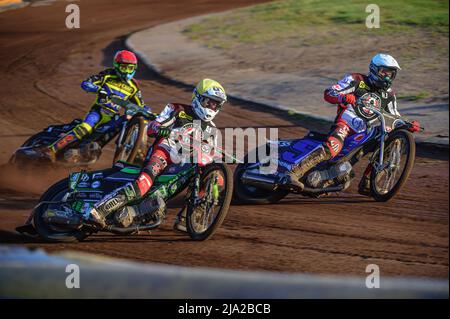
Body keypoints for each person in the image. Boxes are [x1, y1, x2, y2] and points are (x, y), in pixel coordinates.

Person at [87, 78, 227, 229]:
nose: (212, 107)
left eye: (215, 104)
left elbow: (212, 155)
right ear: (198, 98)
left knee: (215, 178)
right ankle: (99, 210)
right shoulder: (177, 109)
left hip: (187, 164)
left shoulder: (213, 132)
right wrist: (160, 127)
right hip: (165, 152)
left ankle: (189, 217)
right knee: (143, 184)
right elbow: (154, 126)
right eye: (209, 102)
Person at [286, 53, 420, 194]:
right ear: (374, 69)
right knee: (334, 145)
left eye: (391, 74)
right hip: (347, 123)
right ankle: (293, 173)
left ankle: (369, 182)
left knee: (387, 139)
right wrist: (343, 97)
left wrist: (407, 125)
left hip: (366, 130)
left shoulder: (390, 95)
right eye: (384, 72)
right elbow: (329, 93)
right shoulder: (356, 79)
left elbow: (394, 116)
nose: (387, 77)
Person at [41, 50, 147, 162]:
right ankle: (51, 150)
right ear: (117, 66)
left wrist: (149, 113)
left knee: (122, 123)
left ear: (134, 69)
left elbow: (141, 105)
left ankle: (87, 154)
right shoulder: (107, 75)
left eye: (130, 68)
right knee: (85, 129)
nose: (126, 72)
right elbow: (86, 83)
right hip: (97, 112)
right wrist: (99, 90)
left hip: (112, 117)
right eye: (124, 68)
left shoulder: (133, 87)